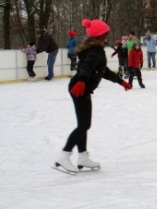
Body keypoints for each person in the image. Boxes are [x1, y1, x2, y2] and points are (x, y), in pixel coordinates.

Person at [54, 19, 131, 174]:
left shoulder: (93, 48)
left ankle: (82, 156)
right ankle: (64, 155)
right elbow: (86, 66)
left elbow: (103, 70)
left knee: (83, 124)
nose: (107, 35)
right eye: (106, 33)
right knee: (84, 125)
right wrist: (82, 81)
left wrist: (120, 81)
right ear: (101, 34)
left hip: (81, 87)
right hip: (79, 87)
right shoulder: (95, 50)